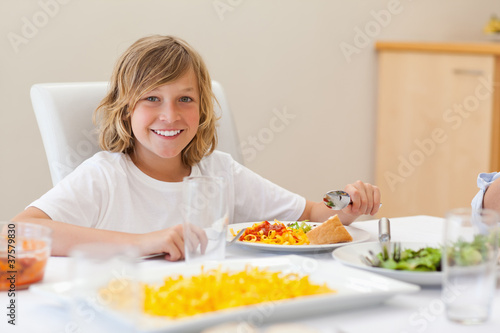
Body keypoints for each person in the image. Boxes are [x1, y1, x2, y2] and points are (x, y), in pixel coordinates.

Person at [13, 35, 381, 261]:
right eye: (152, 99)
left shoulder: (220, 171)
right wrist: (144, 242)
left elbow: (312, 214)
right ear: (126, 111)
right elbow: (15, 234)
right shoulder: (105, 175)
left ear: (202, 107)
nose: (169, 116)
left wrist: (346, 201)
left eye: (185, 99)